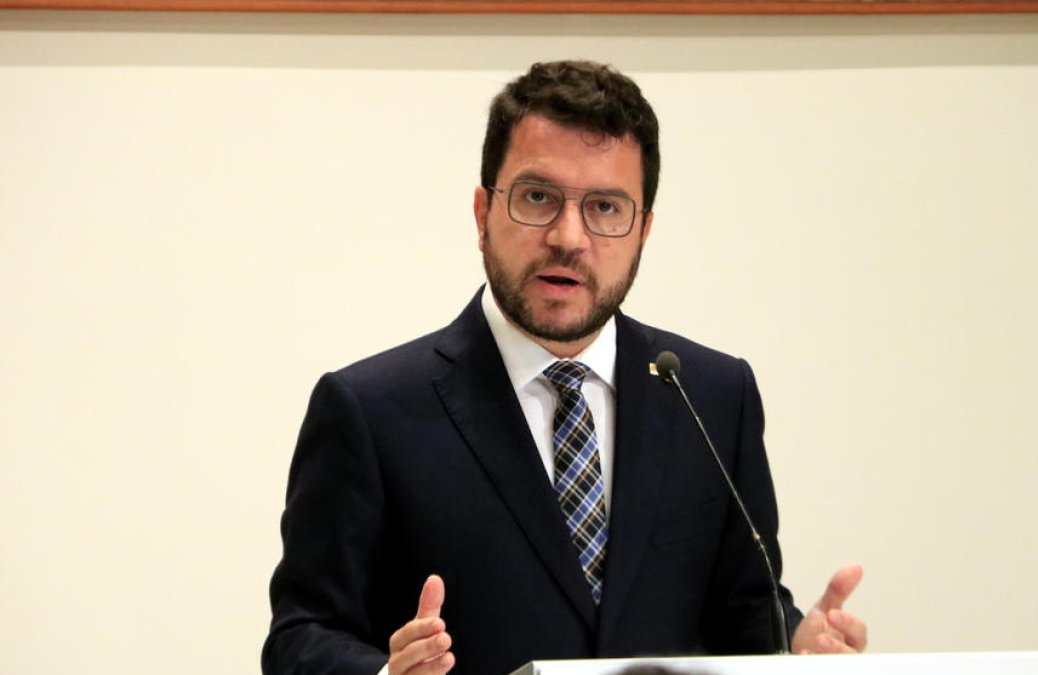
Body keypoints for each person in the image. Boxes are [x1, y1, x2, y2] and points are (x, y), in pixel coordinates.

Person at [263, 60, 866, 675]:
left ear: (643, 232)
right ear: (482, 214)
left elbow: (744, 611)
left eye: (606, 207)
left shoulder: (712, 396)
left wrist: (794, 648)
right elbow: (301, 637)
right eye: (537, 198)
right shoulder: (372, 409)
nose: (569, 238)